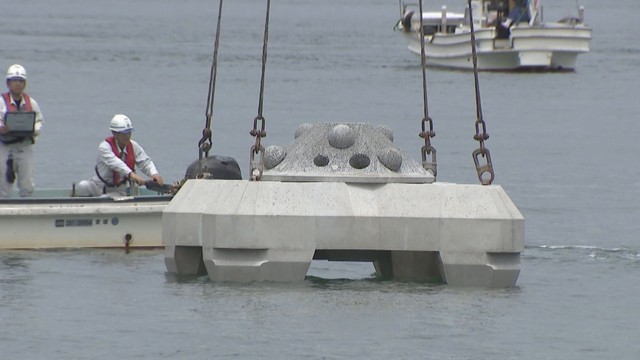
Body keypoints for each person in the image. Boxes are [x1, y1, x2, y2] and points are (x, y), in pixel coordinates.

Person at [76, 114, 164, 197]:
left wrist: (154, 174)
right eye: (124, 133)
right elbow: (115, 163)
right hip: (98, 185)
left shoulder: (133, 146)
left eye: (129, 133)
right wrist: (131, 174)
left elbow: (145, 162)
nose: (127, 136)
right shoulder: (104, 147)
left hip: (118, 190)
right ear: (115, 134)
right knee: (82, 186)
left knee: (105, 199)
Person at [0, 64, 44, 198]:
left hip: (24, 146)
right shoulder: (1, 102)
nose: (18, 84)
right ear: (8, 83)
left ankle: (27, 206)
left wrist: (33, 130)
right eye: (14, 80)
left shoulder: (31, 103)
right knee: (2, 182)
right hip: (4, 147)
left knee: (27, 182)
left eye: (21, 81)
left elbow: (39, 121)